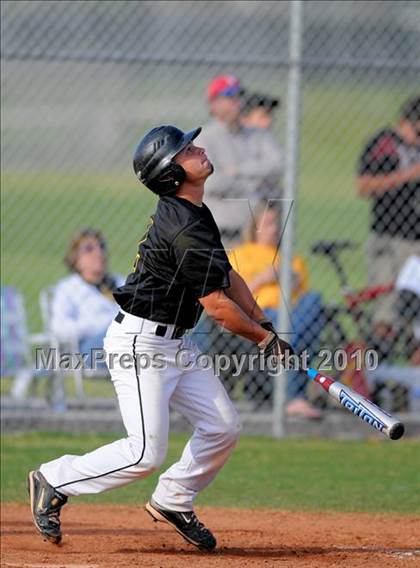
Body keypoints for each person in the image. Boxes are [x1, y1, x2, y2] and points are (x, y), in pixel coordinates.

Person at [28, 125, 292, 551]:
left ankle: (174, 498)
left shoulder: (195, 213)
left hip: (173, 343)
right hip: (140, 345)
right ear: (171, 174)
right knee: (144, 453)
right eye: (187, 150)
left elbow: (229, 276)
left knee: (223, 426)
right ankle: (52, 478)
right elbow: (219, 308)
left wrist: (266, 325)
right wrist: (263, 341)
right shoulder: (182, 226)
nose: (199, 149)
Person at [229, 204, 325, 418]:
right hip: (259, 315)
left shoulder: (291, 257)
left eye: (276, 223)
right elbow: (230, 296)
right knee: (298, 331)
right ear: (255, 227)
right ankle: (293, 397)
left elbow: (303, 300)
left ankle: (289, 346)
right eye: (268, 223)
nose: (274, 228)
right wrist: (264, 278)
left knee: (314, 299)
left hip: (291, 315)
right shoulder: (241, 254)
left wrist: (291, 282)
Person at [357, 95, 420, 360]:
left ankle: (408, 390)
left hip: (416, 243)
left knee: (413, 318)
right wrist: (408, 175)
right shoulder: (385, 144)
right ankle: (374, 377)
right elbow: (364, 186)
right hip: (389, 238)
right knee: (385, 313)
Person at [198, 75, 283, 244]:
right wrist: (257, 186)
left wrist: (238, 171)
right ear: (214, 104)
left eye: (239, 95)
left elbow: (278, 165)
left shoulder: (257, 134)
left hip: (255, 237)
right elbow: (212, 183)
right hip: (222, 234)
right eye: (230, 96)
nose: (237, 101)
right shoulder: (204, 139)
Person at [50, 228, 125, 368]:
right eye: (89, 249)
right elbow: (59, 328)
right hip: (90, 350)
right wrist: (99, 324)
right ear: (76, 258)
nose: (99, 253)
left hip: (126, 340)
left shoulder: (120, 282)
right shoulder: (68, 289)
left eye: (101, 247)